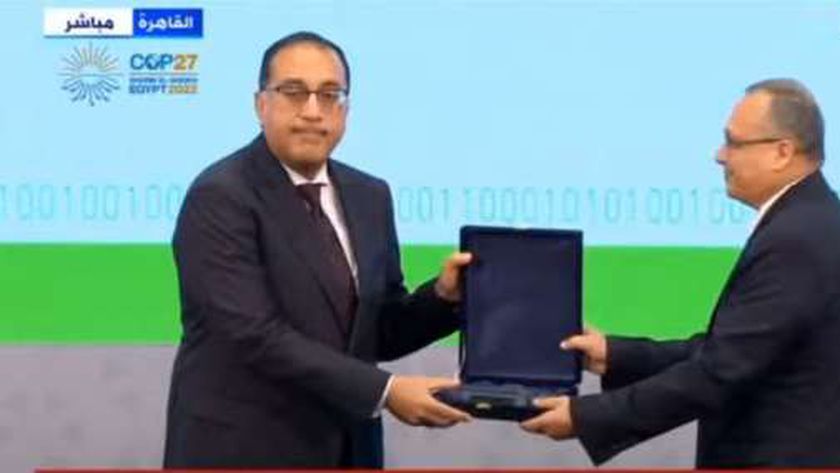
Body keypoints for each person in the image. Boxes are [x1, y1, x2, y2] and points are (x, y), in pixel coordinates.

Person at [163, 31, 471, 469]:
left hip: (350, 451)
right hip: (245, 452)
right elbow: (254, 335)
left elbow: (375, 331)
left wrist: (443, 297)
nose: (312, 110)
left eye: (329, 95)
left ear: (345, 110)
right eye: (293, 92)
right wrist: (387, 391)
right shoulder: (220, 196)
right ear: (260, 104)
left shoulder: (369, 195)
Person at [521, 79, 840, 467]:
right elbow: (727, 351)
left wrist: (585, 416)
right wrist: (613, 355)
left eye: (733, 142)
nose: (719, 156)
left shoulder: (796, 239)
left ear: (782, 152)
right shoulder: (810, 220)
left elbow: (720, 370)